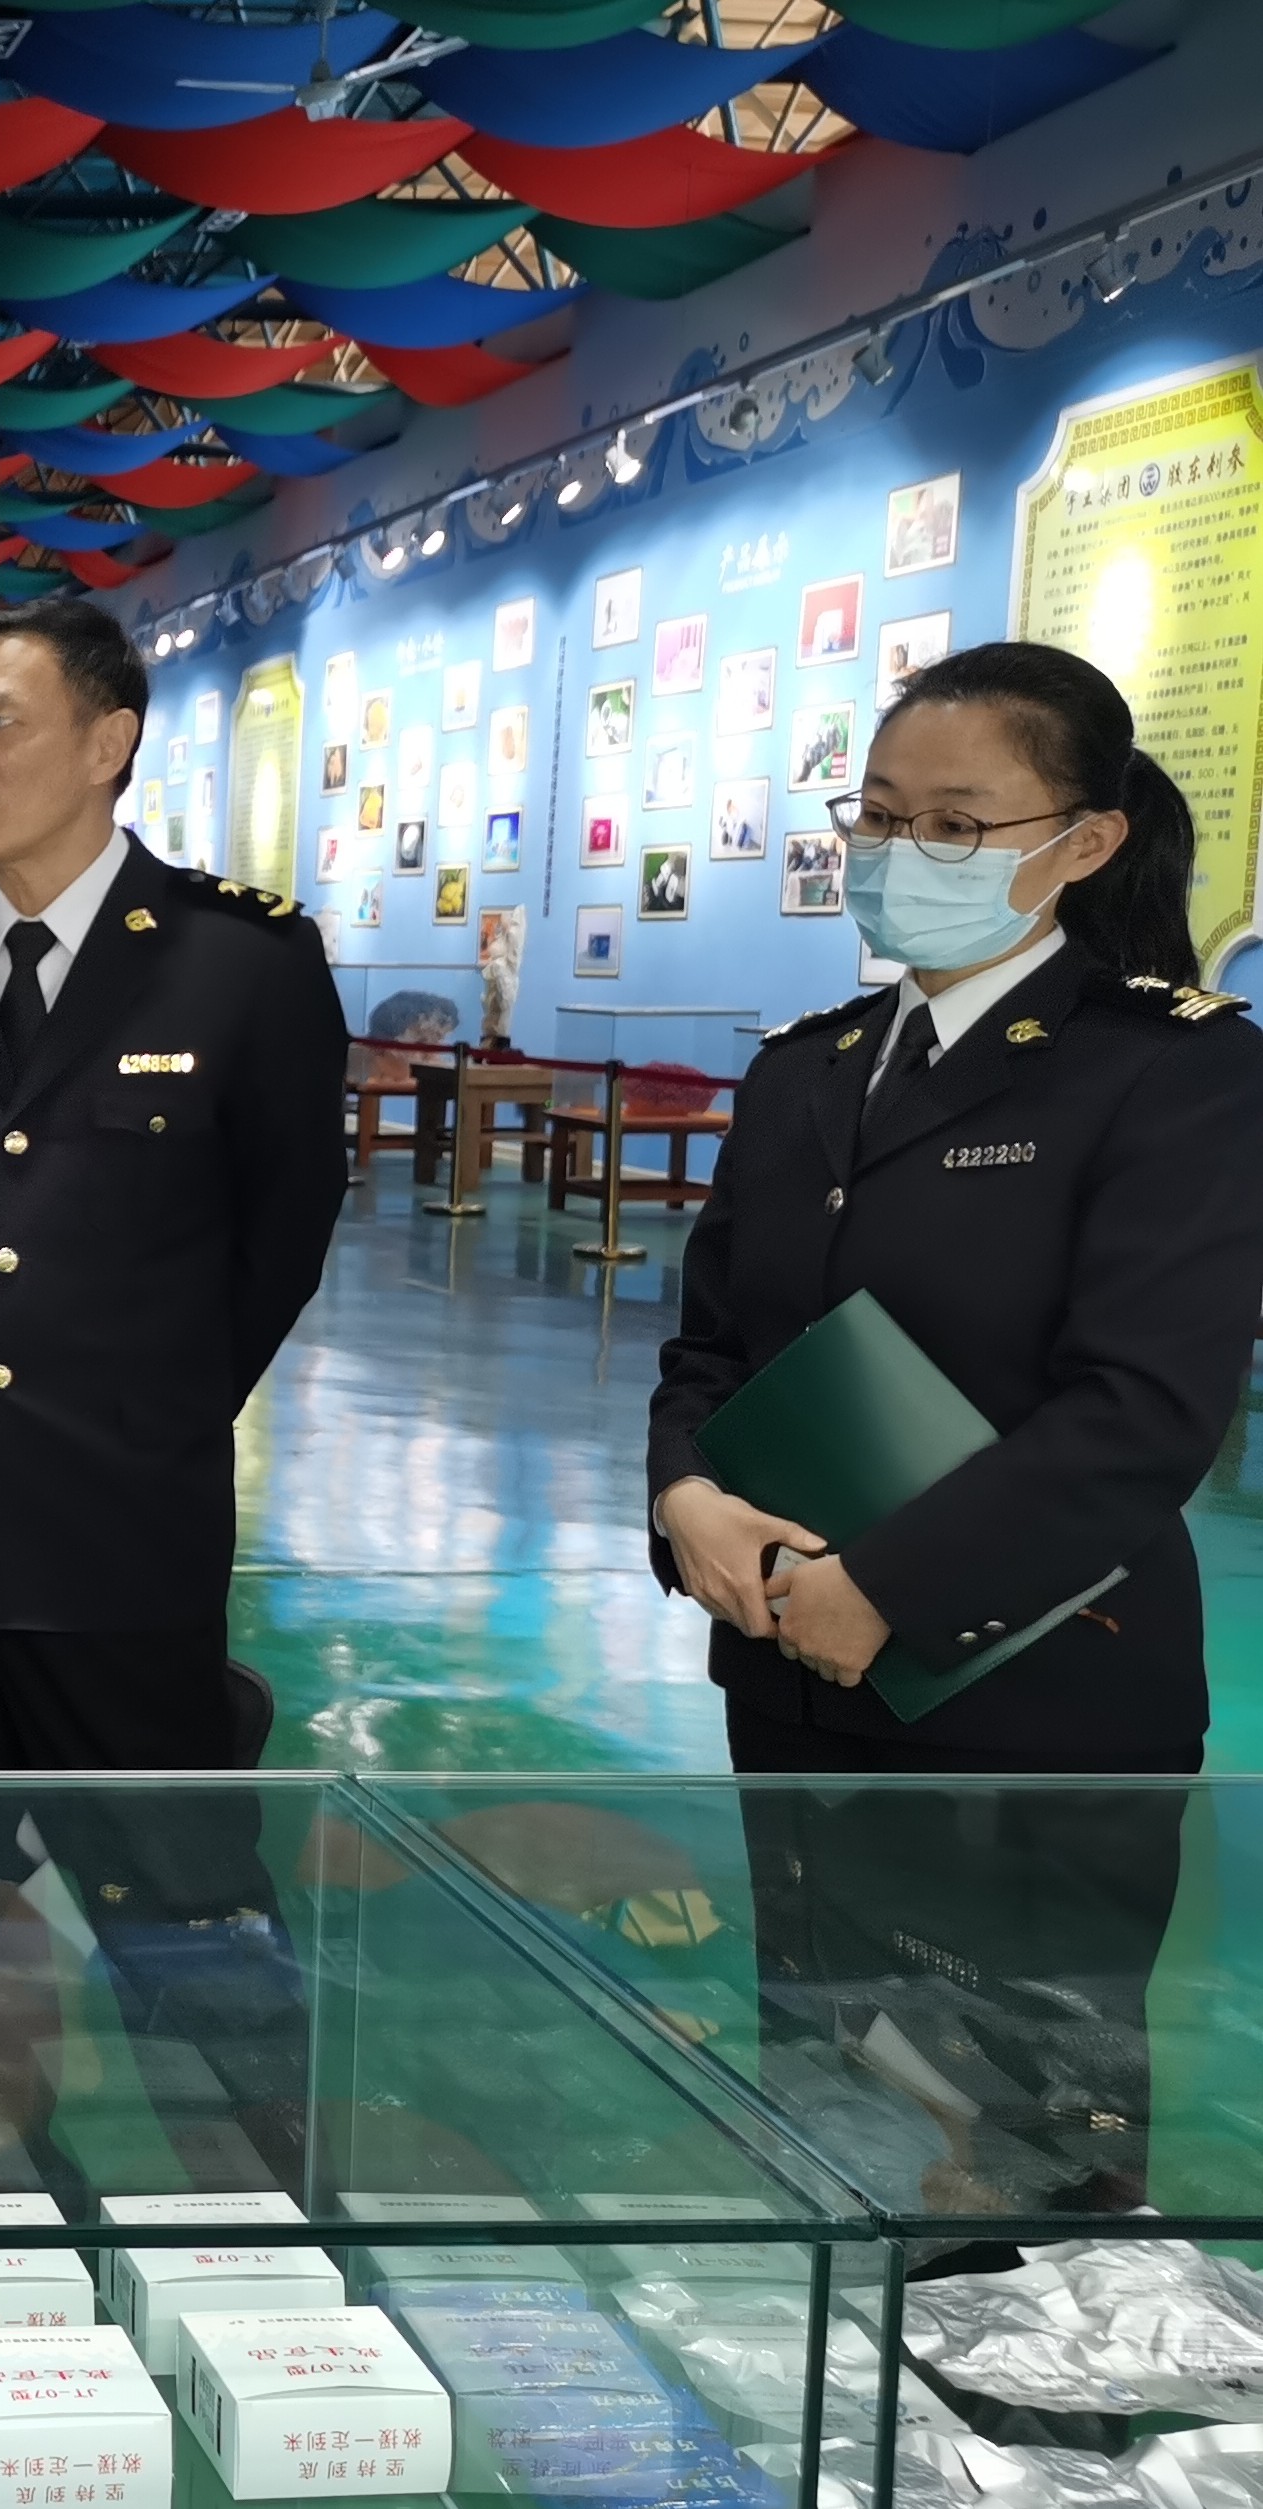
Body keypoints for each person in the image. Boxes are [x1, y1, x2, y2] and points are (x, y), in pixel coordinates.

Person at [650, 643, 1263, 2249]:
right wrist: (687, 1496)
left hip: (1033, 1687)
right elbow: (710, 1346)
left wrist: (888, 1587)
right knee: (830, 2079)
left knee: (1022, 2140)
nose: (896, 853)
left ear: (1084, 840)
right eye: (874, 816)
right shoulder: (805, 1071)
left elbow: (1140, 1408)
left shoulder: (1172, 1070)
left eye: (953, 824)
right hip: (788, 1661)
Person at [0, 594, 351, 1776]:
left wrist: (150, 1400)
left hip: (122, 1514)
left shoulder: (242, 963)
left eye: (1, 724)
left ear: (108, 743)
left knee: (161, 1863)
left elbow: (285, 1230)